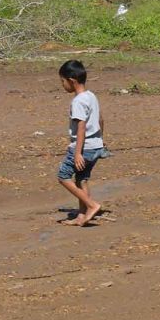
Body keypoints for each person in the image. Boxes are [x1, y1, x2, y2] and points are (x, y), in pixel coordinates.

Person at [57, 60, 106, 226]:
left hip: (84, 148)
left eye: (62, 81)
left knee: (63, 176)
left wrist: (77, 153)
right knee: (82, 179)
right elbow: (100, 119)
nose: (62, 85)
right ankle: (82, 216)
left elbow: (81, 127)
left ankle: (92, 205)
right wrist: (101, 141)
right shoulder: (91, 96)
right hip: (95, 146)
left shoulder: (78, 101)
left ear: (72, 80)